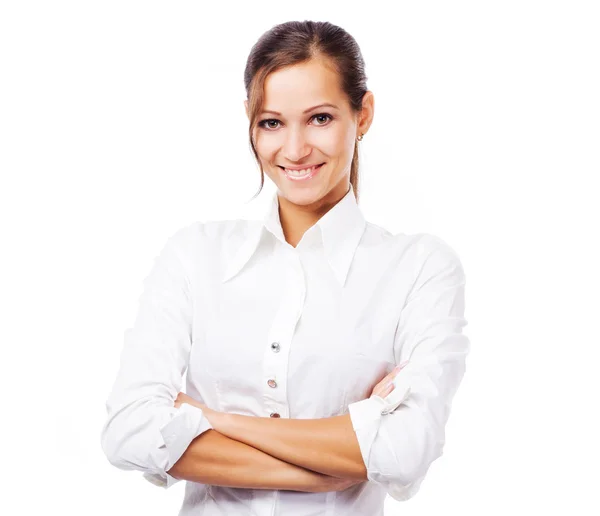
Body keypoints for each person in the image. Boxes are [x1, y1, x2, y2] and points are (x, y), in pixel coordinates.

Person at [100, 19, 470, 515]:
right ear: (250, 122)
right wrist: (339, 456)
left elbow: (404, 452)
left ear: (363, 115)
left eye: (319, 118)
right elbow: (129, 432)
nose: (294, 150)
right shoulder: (195, 256)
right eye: (271, 122)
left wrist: (209, 419)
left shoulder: (419, 268)